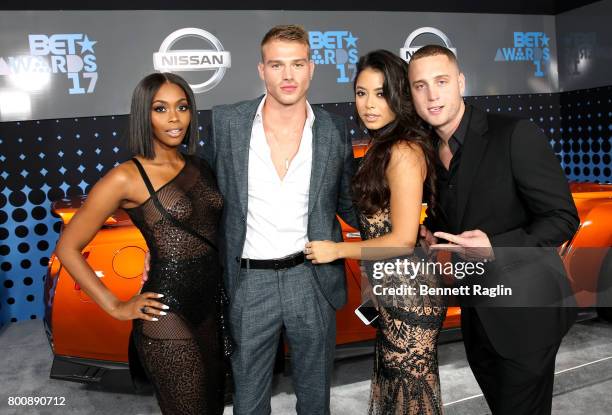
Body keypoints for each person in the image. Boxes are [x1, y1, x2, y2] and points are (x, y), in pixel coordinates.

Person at [408, 45, 579, 414]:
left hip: (529, 313)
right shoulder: (426, 153)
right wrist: (431, 235)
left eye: (441, 81)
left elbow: (563, 218)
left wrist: (496, 247)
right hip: (480, 318)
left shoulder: (514, 134)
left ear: (460, 82)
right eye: (420, 86)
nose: (432, 94)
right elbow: (454, 221)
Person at [200, 25, 358, 415]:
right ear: (261, 70)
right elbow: (203, 198)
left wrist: (400, 226)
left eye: (297, 64)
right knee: (249, 400)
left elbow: (348, 203)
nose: (288, 76)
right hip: (249, 282)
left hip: (312, 277)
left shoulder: (334, 129)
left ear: (311, 68)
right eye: (277, 65)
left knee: (315, 395)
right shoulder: (227, 123)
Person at [55, 73, 227, 415]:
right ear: (143, 115)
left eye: (182, 107)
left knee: (213, 407)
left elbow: (207, 228)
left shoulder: (201, 166)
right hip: (166, 311)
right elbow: (67, 248)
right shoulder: (126, 176)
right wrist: (116, 306)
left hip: (213, 305)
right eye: (160, 109)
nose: (174, 118)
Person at [306, 50, 447, 415]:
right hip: (390, 292)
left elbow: (401, 239)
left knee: (409, 398)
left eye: (380, 94)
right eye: (361, 92)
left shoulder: (402, 149)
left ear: (399, 95)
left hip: (409, 295)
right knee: (397, 395)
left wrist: (336, 250)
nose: (368, 104)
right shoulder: (381, 147)